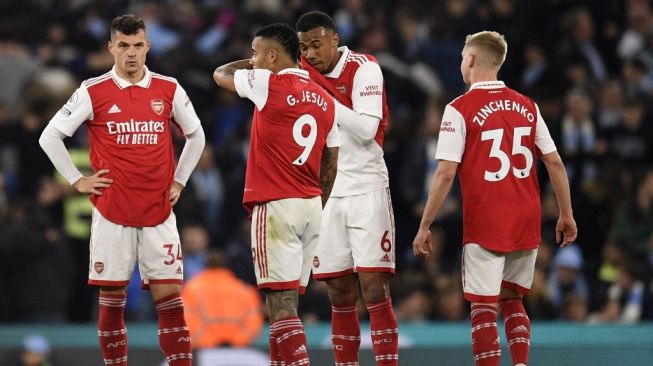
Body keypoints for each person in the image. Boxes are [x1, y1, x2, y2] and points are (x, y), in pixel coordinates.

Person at [38, 14, 205, 366]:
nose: (131, 54)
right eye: (124, 46)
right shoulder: (92, 90)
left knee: (171, 301)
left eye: (138, 46)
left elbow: (196, 135)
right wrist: (77, 179)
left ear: (148, 46)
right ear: (111, 47)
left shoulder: (168, 88)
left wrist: (180, 179)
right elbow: (49, 136)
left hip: (159, 210)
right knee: (112, 301)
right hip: (112, 211)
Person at [412, 31, 577, 366]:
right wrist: (566, 214)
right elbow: (555, 162)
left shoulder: (459, 108)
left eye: (462, 57)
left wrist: (425, 223)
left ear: (471, 59)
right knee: (513, 299)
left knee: (484, 307)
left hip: (487, 219)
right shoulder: (527, 105)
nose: (461, 63)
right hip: (525, 216)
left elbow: (444, 174)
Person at [212, 23, 340, 366]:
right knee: (285, 305)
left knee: (280, 306)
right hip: (312, 206)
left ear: (271, 55)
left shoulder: (267, 81)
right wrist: (316, 202)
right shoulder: (326, 99)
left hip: (276, 206)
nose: (252, 60)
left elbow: (220, 73)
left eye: (256, 53)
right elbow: (331, 162)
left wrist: (255, 64)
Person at [296, 11, 399, 366]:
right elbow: (230, 74)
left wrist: (319, 98)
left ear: (334, 39)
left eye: (316, 44)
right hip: (324, 192)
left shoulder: (364, 68)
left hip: (366, 186)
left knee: (373, 287)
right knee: (338, 291)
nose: (309, 54)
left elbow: (366, 129)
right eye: (303, 47)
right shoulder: (297, 71)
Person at [181, 249, 266, 364]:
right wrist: (236, 341)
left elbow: (186, 323)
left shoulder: (190, 289)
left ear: (206, 265)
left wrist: (208, 341)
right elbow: (254, 324)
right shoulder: (245, 290)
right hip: (239, 353)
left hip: (205, 353)